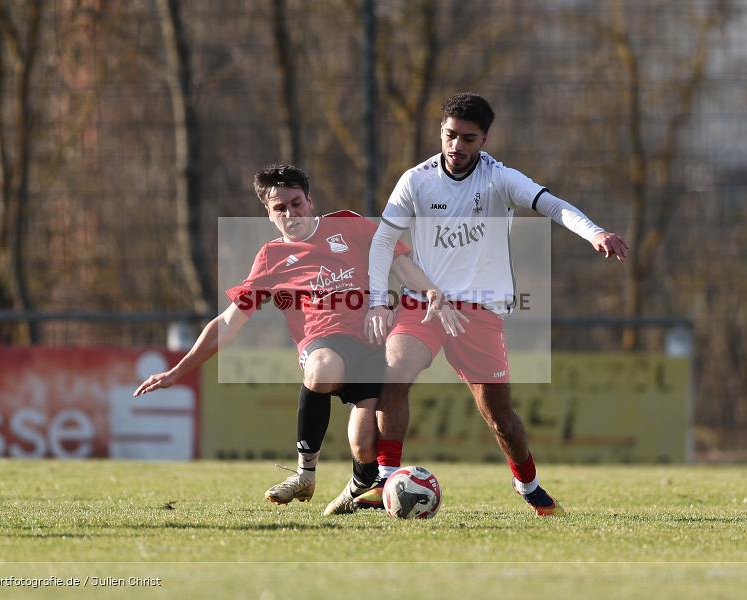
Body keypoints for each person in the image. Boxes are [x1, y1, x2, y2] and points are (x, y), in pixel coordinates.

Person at [134, 164, 459, 516]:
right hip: (323, 344)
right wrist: (177, 371)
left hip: (371, 343)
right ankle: (305, 474)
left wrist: (430, 290)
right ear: (268, 213)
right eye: (280, 208)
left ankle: (358, 489)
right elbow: (227, 323)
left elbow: (400, 264)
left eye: (296, 203)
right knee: (322, 368)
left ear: (310, 201)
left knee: (364, 444)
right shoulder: (271, 258)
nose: (291, 214)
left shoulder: (349, 225)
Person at [360, 93, 629, 516]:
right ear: (441, 132)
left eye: (468, 138)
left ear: (484, 139)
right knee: (394, 373)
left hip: (479, 311)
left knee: (499, 418)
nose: (456, 146)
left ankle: (528, 484)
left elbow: (552, 205)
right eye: (450, 135)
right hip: (425, 303)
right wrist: (378, 302)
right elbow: (382, 241)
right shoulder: (416, 180)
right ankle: (385, 478)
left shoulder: (499, 179)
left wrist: (594, 232)